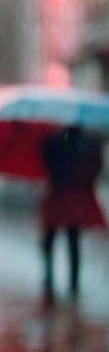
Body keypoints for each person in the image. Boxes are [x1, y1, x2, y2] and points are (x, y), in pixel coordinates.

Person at [39, 126, 106, 304]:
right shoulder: (54, 143)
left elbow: (94, 169)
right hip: (60, 194)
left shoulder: (85, 146)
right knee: (56, 237)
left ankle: (70, 283)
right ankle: (52, 277)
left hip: (69, 196)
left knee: (70, 238)